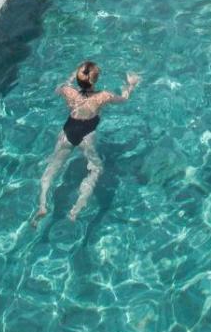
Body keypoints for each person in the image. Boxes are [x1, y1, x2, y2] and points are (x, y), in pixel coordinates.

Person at [35, 61, 138, 221]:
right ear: (95, 80)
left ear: (78, 79)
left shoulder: (68, 91)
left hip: (68, 131)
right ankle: (75, 210)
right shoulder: (103, 96)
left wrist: (70, 78)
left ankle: (42, 204)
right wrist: (130, 85)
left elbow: (57, 89)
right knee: (96, 169)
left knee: (52, 167)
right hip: (87, 136)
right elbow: (124, 99)